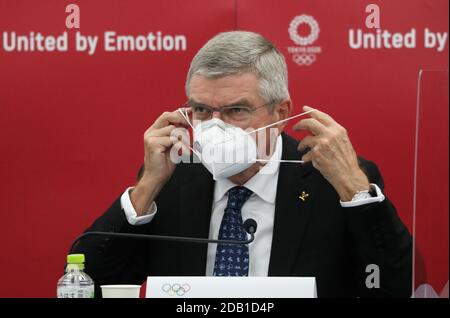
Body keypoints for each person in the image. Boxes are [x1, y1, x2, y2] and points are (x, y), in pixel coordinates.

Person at [72, 31, 412, 297]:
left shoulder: (332, 181)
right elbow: (87, 282)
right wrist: (145, 190)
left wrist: (356, 191)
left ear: (280, 114)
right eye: (202, 110)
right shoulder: (173, 178)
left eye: (236, 110)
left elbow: (394, 286)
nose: (216, 126)